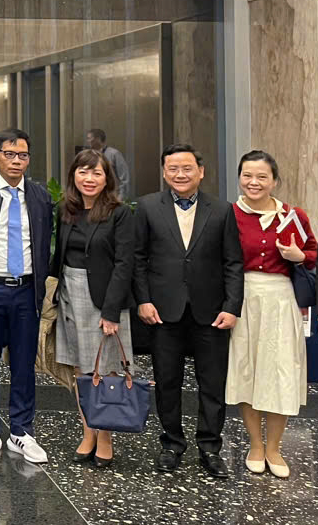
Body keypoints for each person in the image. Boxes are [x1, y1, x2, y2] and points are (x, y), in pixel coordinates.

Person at [134, 144, 243, 479]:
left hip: (211, 311)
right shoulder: (148, 206)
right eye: (173, 169)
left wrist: (232, 306)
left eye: (186, 168)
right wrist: (144, 299)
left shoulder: (222, 210)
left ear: (201, 171)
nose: (180, 175)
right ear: (164, 172)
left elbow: (233, 262)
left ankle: (210, 447)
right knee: (167, 381)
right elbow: (137, 259)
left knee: (212, 383)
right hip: (163, 310)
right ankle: (171, 444)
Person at [225, 150, 316, 479]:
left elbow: (313, 253)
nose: (254, 182)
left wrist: (298, 255)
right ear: (239, 178)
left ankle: (275, 447)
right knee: (247, 371)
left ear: (274, 181)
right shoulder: (230, 215)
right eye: (248, 175)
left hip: (281, 300)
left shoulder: (293, 216)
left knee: (279, 373)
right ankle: (255, 445)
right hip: (243, 299)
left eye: (262, 177)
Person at [0, 128, 53, 464]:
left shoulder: (40, 196)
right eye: (9, 154)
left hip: (26, 289)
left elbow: (46, 243)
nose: (16, 161)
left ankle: (21, 430)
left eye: (23, 155)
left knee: (23, 363)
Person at [50, 149, 134, 469]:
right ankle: (88, 431)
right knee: (80, 370)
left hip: (104, 299)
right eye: (83, 172)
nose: (89, 179)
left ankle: (106, 437)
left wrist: (111, 311)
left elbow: (125, 264)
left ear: (107, 178)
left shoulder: (119, 213)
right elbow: (60, 256)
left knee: (106, 370)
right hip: (71, 294)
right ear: (74, 175)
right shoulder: (66, 210)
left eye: (96, 173)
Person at [85, 129, 130, 201]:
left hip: (112, 198)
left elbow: (124, 179)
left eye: (89, 138)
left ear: (98, 139)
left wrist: (120, 199)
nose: (88, 141)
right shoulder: (89, 155)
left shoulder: (114, 154)